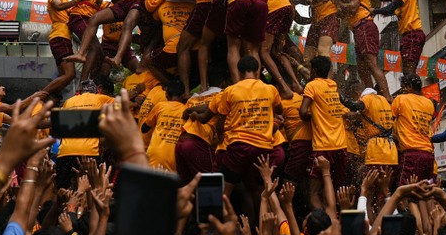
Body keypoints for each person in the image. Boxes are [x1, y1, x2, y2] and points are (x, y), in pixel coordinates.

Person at [192, 55, 283, 195]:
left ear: (239, 73)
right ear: (257, 71)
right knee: (262, 191)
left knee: (225, 190)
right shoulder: (271, 89)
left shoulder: (231, 91)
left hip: (239, 147)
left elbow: (220, 123)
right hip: (263, 148)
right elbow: (279, 111)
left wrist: (220, 138)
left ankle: (221, 209)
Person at [300, 56, 350, 206]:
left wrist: (312, 116)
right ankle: (336, 218)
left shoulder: (312, 86)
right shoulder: (332, 85)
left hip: (323, 147)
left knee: (313, 192)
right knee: (337, 190)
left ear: (314, 71)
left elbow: (302, 112)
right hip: (341, 146)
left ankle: (321, 219)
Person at [53, 80, 112, 190]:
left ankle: (63, 201)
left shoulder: (68, 101)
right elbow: (121, 104)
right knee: (91, 188)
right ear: (96, 91)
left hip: (65, 152)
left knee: (62, 189)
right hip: (89, 152)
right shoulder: (100, 98)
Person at [337, 0, 390, 100]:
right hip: (358, 31)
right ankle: (371, 95)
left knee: (371, 63)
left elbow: (353, 7)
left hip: (365, 27)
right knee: (362, 67)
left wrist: (339, 4)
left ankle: (387, 97)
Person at [369, 0, 427, 78]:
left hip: (413, 34)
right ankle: (410, 85)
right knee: (407, 68)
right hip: (408, 35)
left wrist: (375, 11)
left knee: (409, 67)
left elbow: (389, 9)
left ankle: (411, 87)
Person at [44, 0, 86, 96]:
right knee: (70, 74)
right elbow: (58, 6)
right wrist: (77, 0)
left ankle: (51, 98)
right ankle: (40, 95)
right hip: (60, 37)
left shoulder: (67, 0)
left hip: (63, 38)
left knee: (63, 76)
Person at [392, 74, 437, 184]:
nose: (402, 90)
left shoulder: (400, 99)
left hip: (411, 154)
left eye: (403, 87)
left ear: (409, 86)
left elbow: (389, 121)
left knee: (404, 191)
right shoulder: (429, 103)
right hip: (428, 155)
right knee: (424, 191)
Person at [142, 80, 188, 172]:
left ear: (166, 95)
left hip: (155, 155)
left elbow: (144, 129)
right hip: (176, 158)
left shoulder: (160, 106)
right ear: (183, 95)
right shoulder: (186, 111)